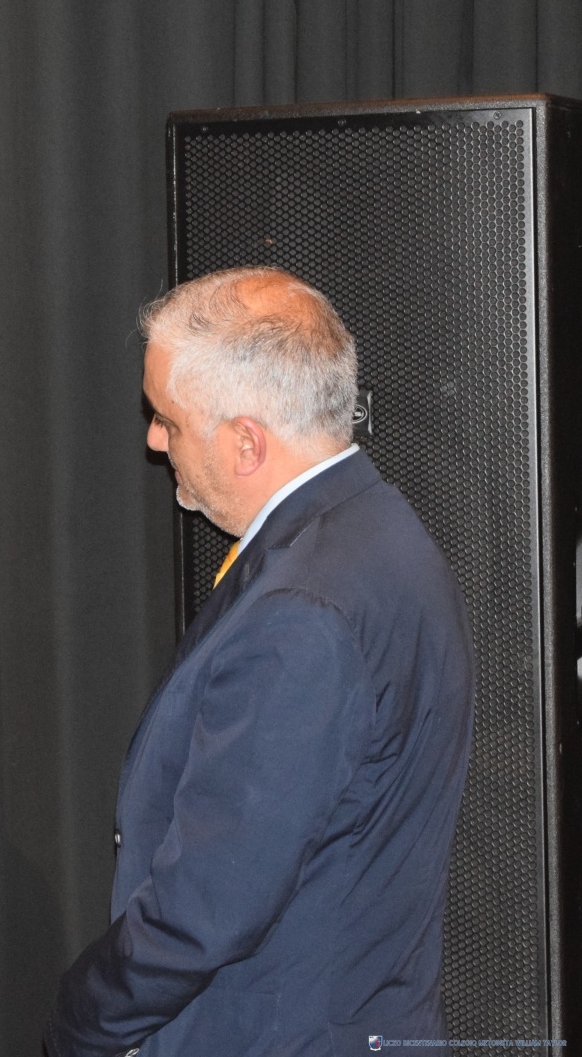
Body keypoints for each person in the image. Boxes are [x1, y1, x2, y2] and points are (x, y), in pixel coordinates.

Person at [45, 268, 474, 1056]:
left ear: (246, 441)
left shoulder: (301, 614)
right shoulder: (383, 530)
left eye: (168, 420)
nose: (153, 440)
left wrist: (82, 1020)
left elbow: (207, 908)